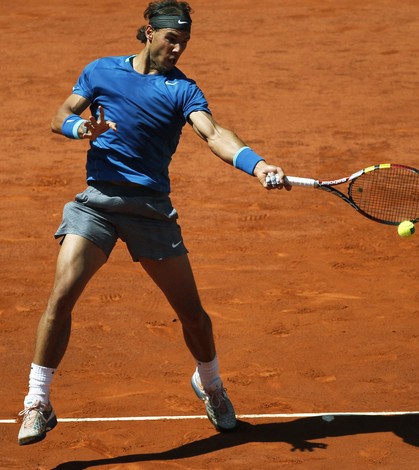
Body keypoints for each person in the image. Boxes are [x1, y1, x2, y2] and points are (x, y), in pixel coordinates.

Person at [17, 0, 290, 446]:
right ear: (148, 33)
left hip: (150, 212)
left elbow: (213, 133)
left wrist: (257, 166)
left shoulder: (183, 90)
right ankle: (37, 400)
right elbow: (60, 115)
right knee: (61, 296)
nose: (178, 48)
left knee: (193, 317)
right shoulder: (101, 71)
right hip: (97, 205)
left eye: (184, 41)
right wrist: (80, 130)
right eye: (171, 39)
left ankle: (211, 384)